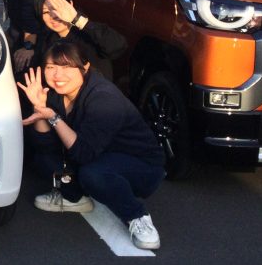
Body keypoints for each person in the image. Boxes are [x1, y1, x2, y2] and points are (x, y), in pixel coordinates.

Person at [17, 41, 166, 250]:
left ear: (85, 68)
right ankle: (75, 197)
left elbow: (83, 153)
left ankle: (137, 216)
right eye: (51, 67)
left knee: (93, 174)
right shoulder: (54, 94)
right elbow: (45, 146)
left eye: (67, 67)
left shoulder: (104, 97)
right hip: (99, 155)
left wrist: (53, 117)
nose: (58, 75)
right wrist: (39, 108)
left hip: (140, 166)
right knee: (43, 160)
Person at [32, 0, 127, 81]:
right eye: (46, 12)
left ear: (70, 4)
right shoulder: (46, 38)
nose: (53, 16)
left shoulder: (88, 33)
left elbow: (118, 46)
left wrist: (77, 19)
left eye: (56, 9)